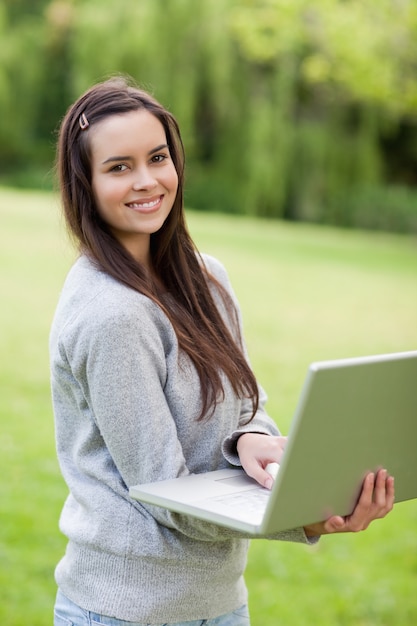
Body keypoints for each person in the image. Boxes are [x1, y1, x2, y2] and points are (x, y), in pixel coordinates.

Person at [50, 76, 394, 626]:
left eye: (158, 157)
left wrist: (254, 436)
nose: (147, 181)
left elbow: (246, 402)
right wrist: (305, 517)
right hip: (124, 611)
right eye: (118, 167)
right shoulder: (111, 314)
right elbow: (167, 492)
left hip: (222, 605)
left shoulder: (207, 279)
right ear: (84, 183)